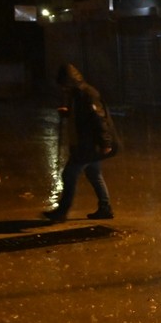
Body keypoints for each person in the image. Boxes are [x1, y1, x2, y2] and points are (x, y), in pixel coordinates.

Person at [44, 63, 119, 222]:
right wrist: (68, 113)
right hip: (88, 143)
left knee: (69, 174)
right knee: (94, 174)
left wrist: (105, 142)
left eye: (64, 86)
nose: (63, 90)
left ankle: (62, 212)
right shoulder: (77, 95)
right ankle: (105, 207)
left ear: (70, 82)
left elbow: (98, 118)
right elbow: (83, 116)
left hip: (89, 145)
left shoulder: (87, 94)